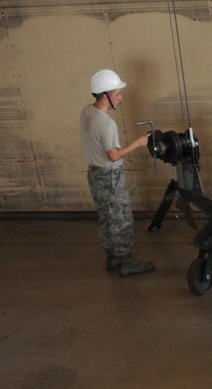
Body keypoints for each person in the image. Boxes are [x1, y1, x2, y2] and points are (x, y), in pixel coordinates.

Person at [80, 69, 155, 276]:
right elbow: (114, 155)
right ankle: (127, 262)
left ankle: (112, 258)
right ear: (105, 95)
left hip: (94, 174)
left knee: (106, 217)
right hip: (110, 177)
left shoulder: (86, 112)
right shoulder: (107, 124)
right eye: (117, 94)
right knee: (121, 219)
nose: (121, 98)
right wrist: (139, 143)